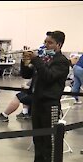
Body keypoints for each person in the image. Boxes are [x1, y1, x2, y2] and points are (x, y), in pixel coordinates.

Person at [21, 31, 69, 162]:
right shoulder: (42, 59)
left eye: (50, 43)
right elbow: (26, 75)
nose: (45, 45)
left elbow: (48, 77)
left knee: (50, 142)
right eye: (45, 42)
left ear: (58, 45)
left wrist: (36, 59)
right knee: (38, 140)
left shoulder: (62, 61)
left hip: (50, 105)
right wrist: (25, 60)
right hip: (37, 103)